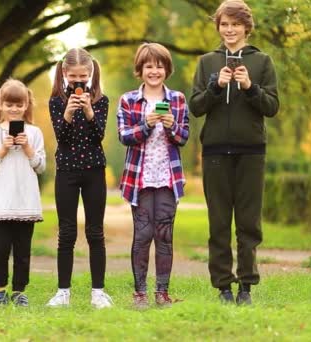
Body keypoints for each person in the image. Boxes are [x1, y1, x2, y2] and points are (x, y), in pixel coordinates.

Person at [189, 0, 279, 305]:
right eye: (224, 24)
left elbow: (272, 107)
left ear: (246, 27)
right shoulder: (206, 62)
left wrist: (251, 87)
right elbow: (196, 106)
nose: (229, 30)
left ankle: (246, 287)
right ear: (218, 27)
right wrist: (216, 87)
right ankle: (224, 287)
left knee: (248, 222)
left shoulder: (262, 62)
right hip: (214, 150)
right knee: (218, 221)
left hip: (252, 151)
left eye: (235, 24)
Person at [117, 43, 189, 309]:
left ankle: (162, 292)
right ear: (140, 69)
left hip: (169, 178)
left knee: (165, 235)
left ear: (166, 69)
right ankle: (140, 294)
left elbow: (184, 138)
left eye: (159, 65)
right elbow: (124, 136)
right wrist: (146, 124)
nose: (154, 71)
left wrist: (172, 127)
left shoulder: (178, 99)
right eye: (149, 66)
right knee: (143, 234)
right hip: (140, 178)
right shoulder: (128, 100)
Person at [46, 48, 113, 309]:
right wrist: (67, 113)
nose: (78, 81)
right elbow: (61, 138)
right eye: (73, 76)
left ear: (91, 72)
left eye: (83, 76)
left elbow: (98, 136)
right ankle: (63, 292)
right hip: (67, 171)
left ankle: (98, 292)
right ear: (64, 74)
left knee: (95, 232)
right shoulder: (55, 101)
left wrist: (88, 111)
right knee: (67, 232)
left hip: (94, 170)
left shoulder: (101, 100)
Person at [0, 78, 46, 306]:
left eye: (19, 105)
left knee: (23, 253)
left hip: (25, 203)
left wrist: (27, 148)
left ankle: (19, 291)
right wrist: (3, 149)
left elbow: (41, 166)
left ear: (26, 105)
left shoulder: (35, 133)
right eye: (9, 104)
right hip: (0, 204)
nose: (14, 109)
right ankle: (0, 289)